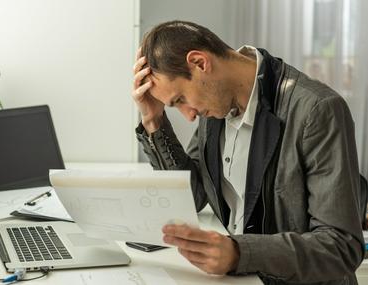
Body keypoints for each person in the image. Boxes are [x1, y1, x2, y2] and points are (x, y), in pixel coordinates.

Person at [132, 20, 364, 285]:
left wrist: (239, 253)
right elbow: (192, 196)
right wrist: (153, 119)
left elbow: (340, 246)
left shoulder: (318, 110)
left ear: (199, 63)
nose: (189, 115)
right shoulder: (216, 103)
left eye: (180, 99)